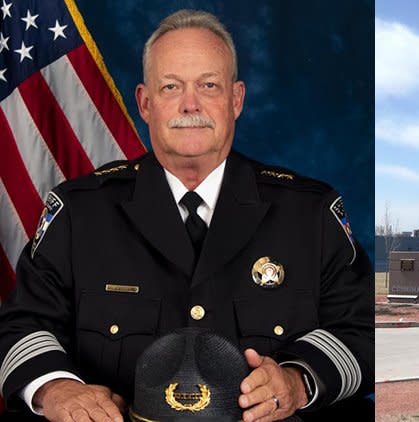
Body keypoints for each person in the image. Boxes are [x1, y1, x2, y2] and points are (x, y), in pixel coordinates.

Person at [0, 9, 374, 422]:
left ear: (236, 100)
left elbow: (362, 330)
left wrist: (298, 380)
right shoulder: (79, 214)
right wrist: (56, 389)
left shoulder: (309, 214)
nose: (190, 104)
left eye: (208, 85)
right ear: (145, 102)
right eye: (171, 86)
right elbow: (22, 326)